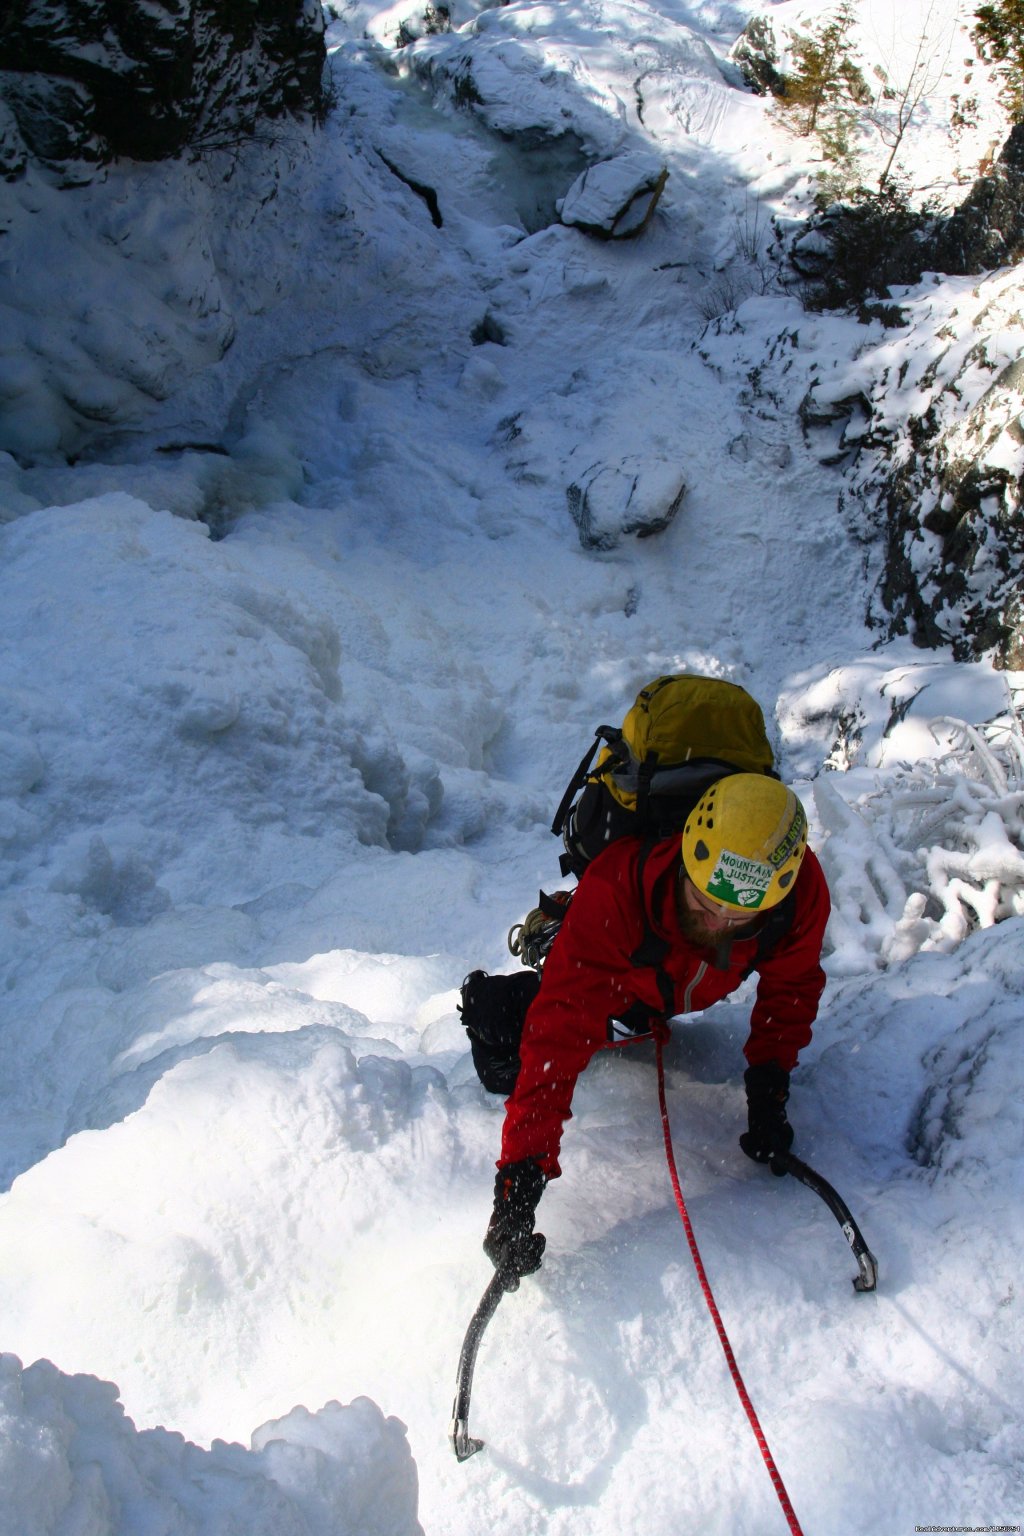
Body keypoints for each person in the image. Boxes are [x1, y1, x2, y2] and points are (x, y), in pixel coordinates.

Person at [483, 772, 831, 1286]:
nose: (716, 924)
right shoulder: (620, 887)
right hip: (622, 977)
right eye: (704, 903)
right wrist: (521, 1178)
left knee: (633, 1010)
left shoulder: (798, 897)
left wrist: (769, 1088)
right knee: (506, 1028)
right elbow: (560, 1030)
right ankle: (550, 935)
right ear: (686, 858)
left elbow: (791, 990)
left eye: (738, 917)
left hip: (672, 985)